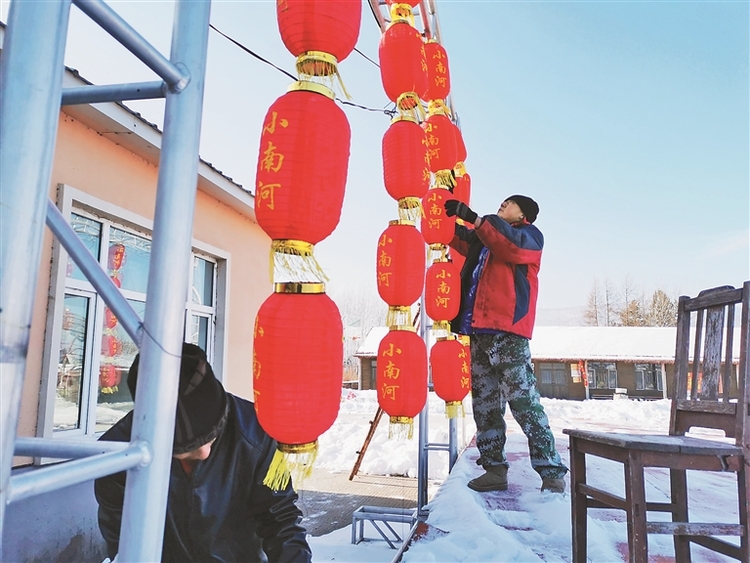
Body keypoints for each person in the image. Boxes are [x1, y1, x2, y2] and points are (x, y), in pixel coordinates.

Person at [94, 343, 312, 562]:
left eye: (211, 436)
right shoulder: (119, 455)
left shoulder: (258, 432)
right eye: (185, 450)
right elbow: (124, 538)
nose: (205, 453)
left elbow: (280, 517)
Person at [444, 196, 568, 494]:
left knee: (523, 402)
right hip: (478, 330)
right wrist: (441, 212)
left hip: (508, 331)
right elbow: (459, 237)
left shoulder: (528, 237)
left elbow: (508, 244)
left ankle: (551, 471)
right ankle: (494, 469)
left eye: (508, 203)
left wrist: (474, 219)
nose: (502, 205)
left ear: (524, 213)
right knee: (485, 404)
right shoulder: (486, 238)